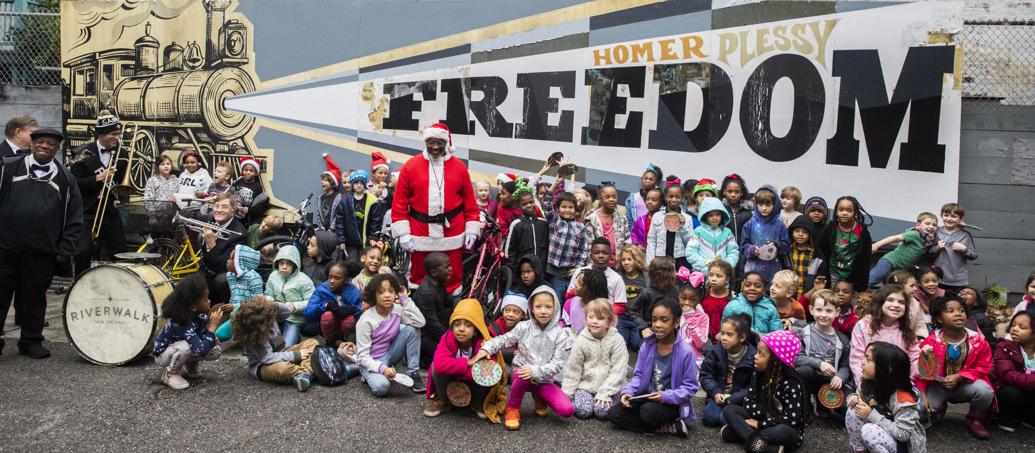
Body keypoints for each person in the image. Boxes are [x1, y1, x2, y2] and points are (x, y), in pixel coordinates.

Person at [0, 128, 83, 358]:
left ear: (57, 149)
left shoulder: (66, 178)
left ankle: (31, 341)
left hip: (40, 253)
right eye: (41, 142)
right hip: (4, 249)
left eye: (51, 144)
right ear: (32, 144)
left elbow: (75, 218)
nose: (45, 147)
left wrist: (64, 250)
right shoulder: (8, 167)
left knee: (34, 299)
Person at [391, 123, 480, 293]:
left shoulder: (460, 167)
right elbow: (400, 203)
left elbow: (470, 202)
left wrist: (472, 229)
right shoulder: (410, 167)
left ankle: (450, 310)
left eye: (439, 142)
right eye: (431, 142)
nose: (435, 147)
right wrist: (403, 233)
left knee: (452, 278)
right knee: (420, 276)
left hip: (452, 233)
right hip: (420, 233)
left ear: (446, 143)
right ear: (426, 141)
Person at [472, 286, 573, 430]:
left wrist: (535, 371)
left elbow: (557, 364)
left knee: (567, 411)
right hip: (522, 374)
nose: (543, 311)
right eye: (538, 306)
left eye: (548, 307)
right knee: (522, 374)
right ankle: (512, 409)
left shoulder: (561, 334)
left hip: (544, 379)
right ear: (531, 308)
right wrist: (485, 348)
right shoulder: (524, 327)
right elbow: (504, 339)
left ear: (556, 307)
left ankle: (539, 397)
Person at [610, 298, 699, 437]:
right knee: (614, 414)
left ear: (676, 322)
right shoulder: (647, 346)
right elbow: (638, 376)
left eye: (664, 320)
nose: (657, 325)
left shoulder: (686, 352)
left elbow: (690, 387)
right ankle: (667, 428)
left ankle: (669, 421)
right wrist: (628, 392)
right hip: (647, 396)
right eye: (654, 319)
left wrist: (665, 396)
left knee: (647, 412)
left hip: (671, 403)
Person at [916, 295, 994, 439]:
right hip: (937, 386)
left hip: (966, 385)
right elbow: (922, 373)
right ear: (939, 319)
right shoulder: (931, 342)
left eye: (961, 311)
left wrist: (960, 376)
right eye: (950, 311)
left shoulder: (977, 340)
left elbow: (984, 366)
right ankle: (938, 410)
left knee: (985, 391)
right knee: (920, 408)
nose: (958, 314)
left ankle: (976, 419)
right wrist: (922, 393)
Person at [720, 329, 807, 452]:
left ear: (775, 361)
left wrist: (760, 424)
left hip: (780, 426)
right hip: (761, 418)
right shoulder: (758, 373)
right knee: (729, 410)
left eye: (761, 354)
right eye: (757, 352)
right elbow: (748, 403)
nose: (755, 356)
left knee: (785, 431)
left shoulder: (792, 383)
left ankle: (748, 438)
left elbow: (791, 419)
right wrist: (763, 415)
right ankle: (765, 448)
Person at [423, 298, 508, 422]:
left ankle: (477, 402)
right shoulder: (447, 338)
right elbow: (440, 364)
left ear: (475, 330)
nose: (461, 329)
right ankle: (443, 400)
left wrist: (457, 369)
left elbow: (490, 371)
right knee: (435, 367)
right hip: (452, 380)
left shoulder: (484, 343)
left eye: (468, 325)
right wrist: (468, 363)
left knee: (485, 371)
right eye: (457, 324)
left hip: (472, 384)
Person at [233, 297, 337, 392]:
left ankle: (305, 374)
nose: (273, 322)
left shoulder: (268, 315)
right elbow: (267, 358)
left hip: (283, 351)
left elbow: (287, 312)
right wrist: (296, 355)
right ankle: (306, 371)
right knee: (282, 369)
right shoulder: (254, 337)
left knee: (312, 342)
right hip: (263, 366)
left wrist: (273, 305)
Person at [70, 112, 127, 277]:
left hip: (109, 208)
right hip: (86, 209)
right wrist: (97, 178)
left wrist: (121, 199)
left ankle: (121, 283)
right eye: (113, 134)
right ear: (101, 134)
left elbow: (123, 183)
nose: (117, 138)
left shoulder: (121, 153)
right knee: (83, 250)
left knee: (120, 250)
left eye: (118, 134)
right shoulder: (82, 153)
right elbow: (73, 183)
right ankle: (79, 282)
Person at [845, 342, 926, 453]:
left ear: (887, 368)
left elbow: (903, 434)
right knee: (854, 410)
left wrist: (870, 414)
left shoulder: (903, 398)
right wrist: (854, 398)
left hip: (904, 447)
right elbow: (864, 402)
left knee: (869, 431)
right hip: (884, 433)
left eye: (868, 359)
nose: (862, 362)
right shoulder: (873, 383)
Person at [151, 275, 229, 389]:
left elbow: (201, 340)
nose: (209, 301)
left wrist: (211, 338)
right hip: (163, 355)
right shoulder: (181, 323)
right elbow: (200, 350)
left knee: (215, 350)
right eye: (205, 299)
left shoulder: (201, 317)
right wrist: (212, 327)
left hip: (183, 347)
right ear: (193, 306)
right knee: (185, 347)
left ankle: (190, 363)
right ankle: (169, 374)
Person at [356, 273, 427, 396]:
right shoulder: (366, 320)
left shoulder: (397, 310)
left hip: (390, 354)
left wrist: (405, 299)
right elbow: (362, 357)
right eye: (381, 292)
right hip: (370, 360)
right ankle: (367, 374)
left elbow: (420, 322)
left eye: (391, 291)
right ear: (374, 295)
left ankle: (413, 373)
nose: (387, 295)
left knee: (412, 329)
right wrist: (383, 369)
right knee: (382, 388)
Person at [562, 299, 629, 420]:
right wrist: (567, 393)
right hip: (586, 386)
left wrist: (606, 391)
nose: (594, 321)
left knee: (602, 412)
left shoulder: (617, 339)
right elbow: (573, 368)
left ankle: (612, 399)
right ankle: (584, 400)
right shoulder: (581, 340)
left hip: (609, 386)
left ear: (609, 321)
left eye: (600, 318)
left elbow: (619, 369)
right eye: (591, 317)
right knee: (583, 411)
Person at [790, 290, 852, 418]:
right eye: (819, 310)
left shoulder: (842, 340)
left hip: (830, 382)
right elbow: (796, 357)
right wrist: (820, 364)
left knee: (847, 408)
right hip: (808, 377)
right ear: (811, 310)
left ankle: (822, 404)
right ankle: (804, 407)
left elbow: (845, 366)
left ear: (837, 312)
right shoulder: (803, 332)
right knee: (804, 371)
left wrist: (840, 376)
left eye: (829, 311)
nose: (823, 315)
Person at [849, 284, 920, 389]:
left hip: (898, 384)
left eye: (901, 302)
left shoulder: (906, 331)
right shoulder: (864, 325)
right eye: (890, 300)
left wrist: (924, 362)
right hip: (869, 383)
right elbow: (857, 358)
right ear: (880, 302)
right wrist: (862, 385)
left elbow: (914, 359)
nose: (896, 305)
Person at [700, 314, 755, 427]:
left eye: (729, 335)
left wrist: (734, 398)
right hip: (719, 394)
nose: (724, 338)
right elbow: (706, 375)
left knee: (725, 420)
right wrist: (715, 392)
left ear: (742, 337)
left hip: (739, 399)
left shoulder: (753, 356)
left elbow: (753, 386)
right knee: (710, 419)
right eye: (722, 333)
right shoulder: (715, 352)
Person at [196, 192, 247, 305]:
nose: (218, 210)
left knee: (219, 281)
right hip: (206, 268)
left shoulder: (238, 233)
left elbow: (224, 265)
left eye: (224, 207)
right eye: (216, 206)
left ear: (233, 211)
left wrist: (211, 244)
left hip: (222, 274)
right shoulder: (212, 219)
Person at [991, 309, 1035, 432]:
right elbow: (1006, 374)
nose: (1014, 329)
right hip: (1008, 387)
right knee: (1011, 392)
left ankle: (1028, 418)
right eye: (1013, 325)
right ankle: (1004, 418)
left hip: (1029, 390)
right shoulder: (1005, 347)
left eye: (1022, 327)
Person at [868, 212, 939, 287]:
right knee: (871, 280)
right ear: (918, 225)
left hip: (899, 269)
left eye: (934, 225)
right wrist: (876, 245)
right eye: (927, 224)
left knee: (890, 288)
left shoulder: (927, 240)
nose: (931, 226)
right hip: (890, 262)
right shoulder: (915, 234)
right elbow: (895, 238)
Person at [265, 245, 315, 347]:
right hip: (274, 316)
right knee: (270, 346)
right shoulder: (273, 276)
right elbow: (268, 294)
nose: (284, 267)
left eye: (288, 264)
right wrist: (269, 301)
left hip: (294, 318)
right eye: (281, 263)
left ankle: (295, 337)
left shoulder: (304, 280)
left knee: (287, 347)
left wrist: (294, 306)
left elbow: (311, 302)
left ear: (295, 265)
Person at [818, 196, 872, 292]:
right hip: (832, 273)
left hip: (852, 276)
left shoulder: (862, 231)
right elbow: (823, 251)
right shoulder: (830, 228)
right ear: (836, 211)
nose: (844, 213)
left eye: (849, 210)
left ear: (855, 212)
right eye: (841, 209)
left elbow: (865, 259)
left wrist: (861, 285)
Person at [623, 257, 677, 350]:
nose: (676, 273)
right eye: (673, 270)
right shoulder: (647, 292)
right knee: (645, 350)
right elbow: (632, 309)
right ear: (664, 274)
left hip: (670, 331)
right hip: (651, 331)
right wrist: (643, 327)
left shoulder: (675, 290)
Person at [740, 184, 789, 285]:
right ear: (756, 205)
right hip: (752, 268)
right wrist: (753, 250)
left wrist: (776, 245)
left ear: (775, 205)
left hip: (773, 269)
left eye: (768, 205)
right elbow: (743, 247)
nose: (764, 208)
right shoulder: (750, 223)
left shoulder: (780, 225)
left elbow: (786, 247)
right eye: (761, 205)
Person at [303, 260, 363, 344]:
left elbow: (362, 308)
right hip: (326, 328)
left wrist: (353, 309)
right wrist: (325, 306)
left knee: (349, 319)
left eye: (337, 278)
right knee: (327, 316)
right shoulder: (321, 290)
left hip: (346, 330)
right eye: (330, 277)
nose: (332, 281)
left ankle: (346, 342)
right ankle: (329, 342)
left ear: (346, 280)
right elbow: (308, 313)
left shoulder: (353, 291)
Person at [544, 191, 589, 299]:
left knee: (566, 299)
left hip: (569, 273)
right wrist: (552, 188)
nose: (567, 210)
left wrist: (578, 268)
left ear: (575, 209)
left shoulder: (580, 227)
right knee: (555, 298)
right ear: (558, 208)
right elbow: (546, 204)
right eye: (564, 206)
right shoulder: (555, 221)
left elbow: (583, 250)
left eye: (571, 207)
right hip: (551, 271)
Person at [213, 244, 264, 341]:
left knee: (220, 334)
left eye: (231, 259)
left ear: (239, 262)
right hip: (234, 313)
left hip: (248, 314)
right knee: (215, 327)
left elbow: (258, 303)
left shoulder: (253, 277)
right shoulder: (230, 276)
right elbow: (235, 296)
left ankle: (244, 334)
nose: (227, 261)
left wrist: (235, 307)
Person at [566, 237, 628, 314]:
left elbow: (620, 306)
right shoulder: (579, 273)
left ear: (611, 256)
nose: (601, 256)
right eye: (596, 252)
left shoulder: (617, 278)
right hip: (580, 313)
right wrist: (583, 289)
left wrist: (602, 312)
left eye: (605, 253)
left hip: (604, 317)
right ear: (590, 255)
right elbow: (568, 296)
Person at [413, 252, 453, 367]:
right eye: (446, 267)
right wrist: (450, 341)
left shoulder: (438, 283)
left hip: (435, 326)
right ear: (434, 272)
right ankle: (421, 358)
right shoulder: (426, 293)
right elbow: (432, 325)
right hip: (424, 335)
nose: (451, 269)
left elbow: (448, 301)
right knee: (447, 358)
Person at [645, 179, 695, 268]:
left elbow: (690, 242)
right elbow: (652, 240)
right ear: (665, 197)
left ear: (682, 198)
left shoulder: (687, 218)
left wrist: (682, 226)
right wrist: (650, 262)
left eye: (677, 197)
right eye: (670, 196)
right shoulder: (657, 216)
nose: (674, 199)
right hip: (660, 258)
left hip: (679, 260)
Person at [503, 182, 549, 269]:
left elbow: (547, 246)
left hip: (540, 269)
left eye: (531, 202)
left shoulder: (543, 223)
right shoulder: (516, 224)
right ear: (519, 206)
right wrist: (512, 269)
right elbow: (510, 249)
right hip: (522, 270)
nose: (529, 205)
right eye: (524, 204)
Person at [585, 183, 630, 268]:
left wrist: (623, 262)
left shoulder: (621, 218)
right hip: (598, 265)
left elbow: (627, 241)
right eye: (607, 197)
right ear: (600, 199)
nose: (611, 199)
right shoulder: (591, 219)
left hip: (618, 265)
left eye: (614, 197)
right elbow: (588, 245)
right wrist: (592, 266)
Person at [934, 203, 977, 291]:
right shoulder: (936, 232)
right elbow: (927, 252)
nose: (949, 219)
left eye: (953, 216)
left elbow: (973, 256)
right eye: (946, 215)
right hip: (937, 278)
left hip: (958, 281)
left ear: (960, 219)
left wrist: (964, 249)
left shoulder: (965, 235)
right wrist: (937, 247)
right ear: (941, 216)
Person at [690, 196, 740, 273]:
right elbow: (691, 252)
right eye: (711, 215)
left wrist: (726, 267)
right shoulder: (698, 232)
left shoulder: (727, 232)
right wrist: (704, 267)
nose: (715, 218)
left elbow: (733, 251)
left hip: (722, 274)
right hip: (702, 274)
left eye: (717, 214)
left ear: (722, 215)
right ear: (705, 216)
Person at [787, 215, 824, 301]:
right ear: (791, 232)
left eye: (805, 232)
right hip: (788, 295)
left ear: (810, 234)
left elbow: (821, 277)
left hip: (809, 296)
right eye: (796, 231)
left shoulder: (817, 254)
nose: (800, 234)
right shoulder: (787, 250)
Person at [676, 268, 709, 366]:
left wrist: (690, 317)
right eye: (683, 298)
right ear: (678, 296)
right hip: (674, 356)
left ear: (699, 300)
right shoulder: (674, 312)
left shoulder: (703, 317)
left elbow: (701, 343)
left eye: (692, 300)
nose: (687, 302)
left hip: (693, 359)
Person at [347, 169, 383, 250]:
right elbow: (340, 220)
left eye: (361, 183)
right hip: (350, 242)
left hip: (367, 240)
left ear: (365, 184)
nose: (359, 185)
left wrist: (372, 238)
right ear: (352, 184)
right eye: (356, 183)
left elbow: (376, 221)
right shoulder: (346, 199)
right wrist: (341, 240)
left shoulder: (372, 200)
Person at [702, 260, 735, 340]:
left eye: (718, 276)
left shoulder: (732, 298)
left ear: (727, 279)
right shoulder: (703, 294)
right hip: (704, 336)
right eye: (711, 275)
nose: (713, 279)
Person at [232, 157, 268, 226]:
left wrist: (249, 210)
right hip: (235, 215)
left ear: (256, 173)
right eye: (246, 170)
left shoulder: (258, 186)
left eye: (251, 171)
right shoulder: (238, 182)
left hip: (247, 218)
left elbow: (259, 205)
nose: (248, 172)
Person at [623, 164, 662, 228]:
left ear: (656, 182)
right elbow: (628, 220)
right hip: (637, 232)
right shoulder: (633, 198)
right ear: (642, 179)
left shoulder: (659, 198)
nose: (648, 181)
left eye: (651, 179)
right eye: (645, 178)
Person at [719, 173, 753, 243]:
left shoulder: (749, 210)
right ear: (724, 192)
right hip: (726, 250)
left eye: (736, 192)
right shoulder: (719, 210)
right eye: (730, 191)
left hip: (745, 251)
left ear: (741, 193)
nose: (733, 194)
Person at [316, 153, 344, 232]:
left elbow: (339, 215)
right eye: (322, 180)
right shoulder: (320, 198)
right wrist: (321, 227)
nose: (322, 182)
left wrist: (332, 228)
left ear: (332, 182)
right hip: (323, 230)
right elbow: (319, 214)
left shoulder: (338, 197)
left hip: (335, 231)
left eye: (325, 180)